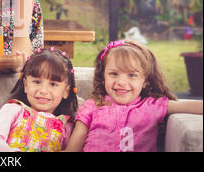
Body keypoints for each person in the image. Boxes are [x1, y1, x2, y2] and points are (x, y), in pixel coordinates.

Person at [65, 40, 203, 152]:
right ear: (103, 77)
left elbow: (190, 106)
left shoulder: (152, 106)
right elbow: (73, 149)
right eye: (114, 74)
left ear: (145, 81)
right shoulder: (93, 105)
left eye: (132, 75)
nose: (121, 82)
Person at [0, 47, 78, 152]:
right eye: (37, 82)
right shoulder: (13, 110)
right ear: (25, 85)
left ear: (66, 91)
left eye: (53, 84)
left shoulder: (67, 126)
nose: (43, 90)